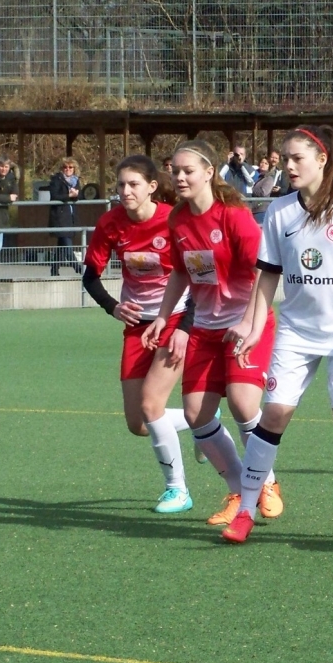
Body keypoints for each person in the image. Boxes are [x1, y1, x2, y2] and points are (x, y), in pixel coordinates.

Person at [220, 124, 333, 544]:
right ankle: (245, 511)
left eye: (297, 158)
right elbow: (268, 276)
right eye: (285, 158)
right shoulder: (279, 210)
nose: (289, 165)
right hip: (296, 332)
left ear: (322, 159)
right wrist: (253, 326)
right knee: (274, 413)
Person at [141, 139, 284, 526]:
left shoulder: (233, 215)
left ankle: (266, 481)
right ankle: (239, 491)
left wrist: (249, 322)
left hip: (247, 323)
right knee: (196, 415)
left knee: (243, 404)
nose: (180, 177)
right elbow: (181, 272)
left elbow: (263, 271)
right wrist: (163, 317)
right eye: (175, 170)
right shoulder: (178, 220)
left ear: (209, 172)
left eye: (188, 170)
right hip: (204, 329)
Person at [82, 155, 203, 514]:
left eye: (133, 184)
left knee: (152, 406)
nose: (125, 191)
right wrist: (113, 306)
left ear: (151, 187)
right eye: (120, 185)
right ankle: (203, 423)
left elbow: (202, 276)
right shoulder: (110, 223)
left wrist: (185, 326)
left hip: (175, 320)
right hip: (137, 327)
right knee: (138, 423)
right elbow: (90, 276)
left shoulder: (175, 219)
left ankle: (177, 490)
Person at [47, 157, 84, 277]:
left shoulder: (76, 180)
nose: (68, 169)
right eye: (65, 167)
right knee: (67, 243)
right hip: (60, 216)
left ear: (74, 169)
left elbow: (80, 196)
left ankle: (54, 269)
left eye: (70, 167)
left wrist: (76, 195)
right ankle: (78, 267)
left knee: (62, 244)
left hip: (71, 215)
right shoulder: (56, 179)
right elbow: (54, 196)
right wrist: (69, 195)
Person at [250, 156, 276, 226]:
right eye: (262, 162)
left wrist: (251, 189)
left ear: (269, 166)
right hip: (252, 208)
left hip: (261, 209)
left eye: (266, 163)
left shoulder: (269, 179)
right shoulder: (254, 176)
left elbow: (263, 192)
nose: (263, 164)